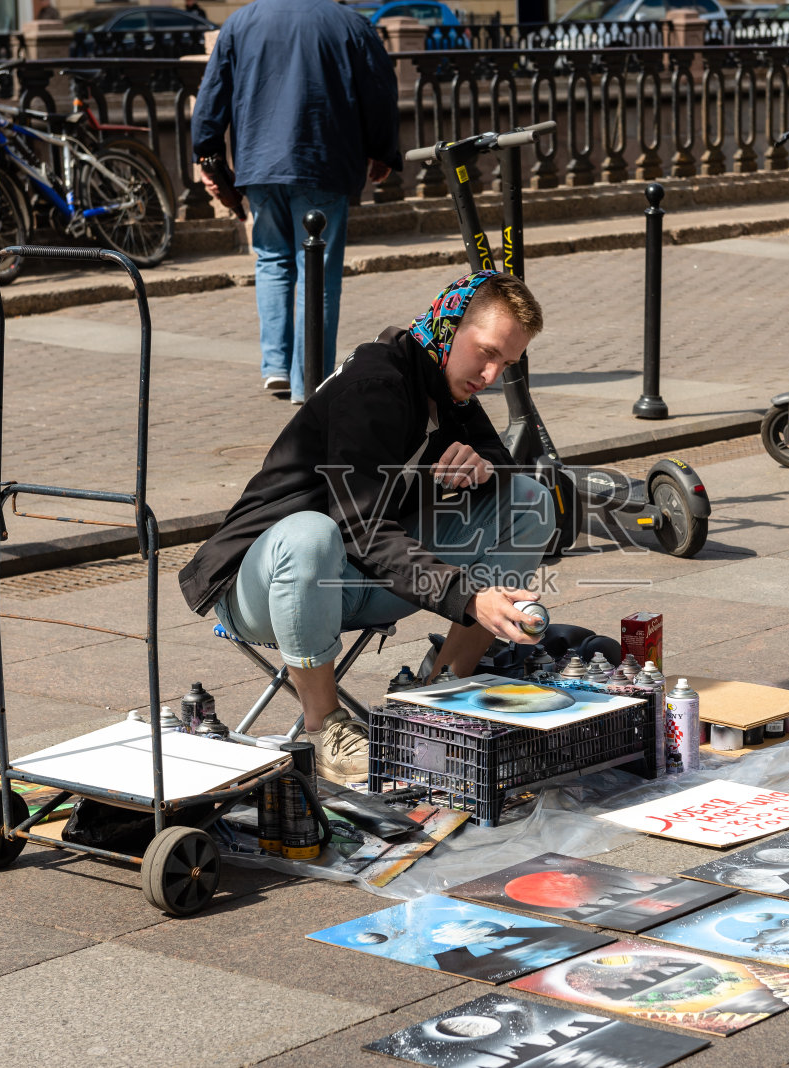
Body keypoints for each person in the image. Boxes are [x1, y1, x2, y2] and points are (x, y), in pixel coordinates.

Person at [179, 272, 557, 784]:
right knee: (311, 531)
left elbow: (497, 457)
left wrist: (484, 463)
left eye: (506, 364)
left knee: (529, 501)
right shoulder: (376, 384)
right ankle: (325, 726)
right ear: (449, 326)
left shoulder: (447, 382)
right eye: (486, 352)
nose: (490, 375)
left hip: (360, 580)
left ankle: (444, 691)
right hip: (266, 587)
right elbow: (360, 528)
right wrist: (469, 597)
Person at [190, 0, 401, 404]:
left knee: (271, 260)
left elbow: (212, 92)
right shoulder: (350, 24)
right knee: (317, 272)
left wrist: (207, 153)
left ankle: (275, 368)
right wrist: (382, 151)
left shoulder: (241, 21)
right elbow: (378, 91)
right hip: (323, 159)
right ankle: (310, 379)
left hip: (259, 162)